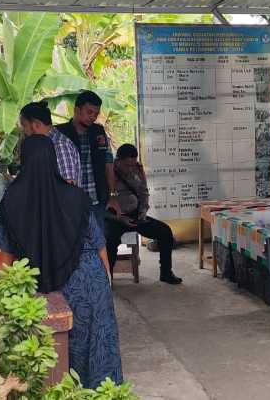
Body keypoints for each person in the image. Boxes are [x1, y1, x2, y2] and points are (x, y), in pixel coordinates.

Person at [0, 135, 123, 388]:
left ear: (23, 160)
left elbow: (6, 257)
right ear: (54, 159)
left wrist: (7, 300)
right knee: (96, 352)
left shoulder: (11, 201)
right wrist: (105, 282)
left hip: (41, 290)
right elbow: (99, 245)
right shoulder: (76, 196)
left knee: (53, 357)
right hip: (88, 283)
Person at [104, 144, 182, 285]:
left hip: (135, 216)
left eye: (133, 165)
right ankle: (107, 281)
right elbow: (101, 205)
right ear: (117, 161)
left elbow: (143, 193)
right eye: (127, 165)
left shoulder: (137, 171)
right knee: (109, 241)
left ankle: (166, 273)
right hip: (115, 218)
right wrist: (118, 218)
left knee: (165, 232)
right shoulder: (107, 174)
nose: (130, 169)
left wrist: (142, 212)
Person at [56, 90, 122, 231]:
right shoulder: (61, 134)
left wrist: (112, 196)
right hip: (69, 205)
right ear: (77, 110)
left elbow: (108, 164)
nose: (92, 117)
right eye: (89, 112)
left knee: (98, 244)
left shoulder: (99, 132)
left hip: (97, 202)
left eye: (96, 114)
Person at [19, 101, 81, 186]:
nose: (23, 131)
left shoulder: (60, 145)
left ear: (36, 125)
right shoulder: (45, 144)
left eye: (24, 126)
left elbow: (68, 186)